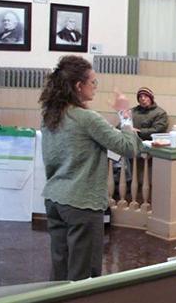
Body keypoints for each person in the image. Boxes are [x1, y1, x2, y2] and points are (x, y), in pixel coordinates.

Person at [39, 55, 141, 280]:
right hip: (81, 203)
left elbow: (54, 156)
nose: (95, 87)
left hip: (55, 197)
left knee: (61, 269)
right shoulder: (87, 118)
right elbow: (128, 148)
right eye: (93, 82)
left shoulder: (50, 115)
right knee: (83, 275)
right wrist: (125, 114)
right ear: (78, 86)